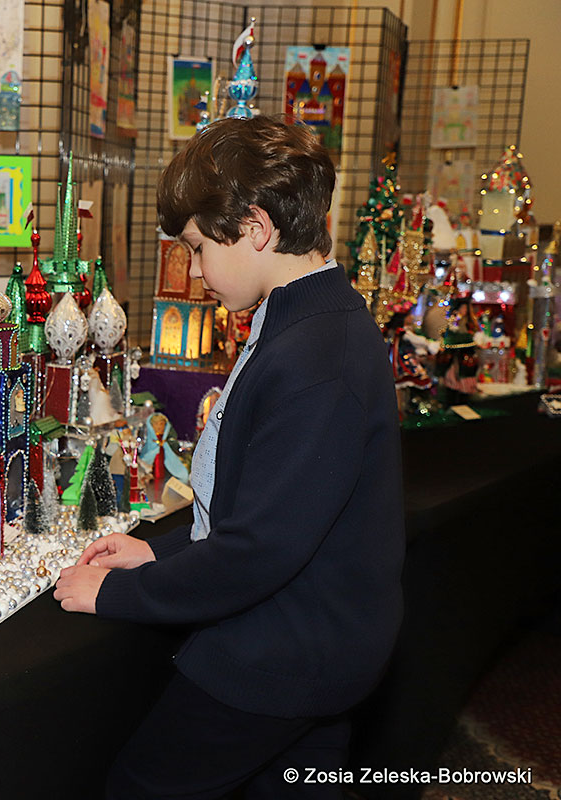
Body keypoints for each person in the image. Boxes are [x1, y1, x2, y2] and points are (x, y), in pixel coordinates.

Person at [54, 116, 404, 799]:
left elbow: (259, 549)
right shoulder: (306, 320)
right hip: (322, 642)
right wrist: (159, 553)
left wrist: (118, 593)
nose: (193, 270)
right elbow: (264, 503)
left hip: (285, 654)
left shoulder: (317, 356)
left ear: (255, 228)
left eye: (197, 248)